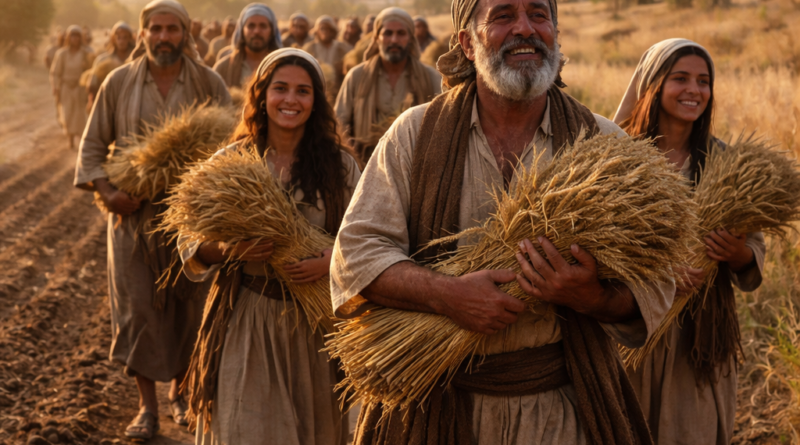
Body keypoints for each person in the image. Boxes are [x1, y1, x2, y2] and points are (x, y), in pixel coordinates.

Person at [330, 0, 678, 442]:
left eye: (538, 14)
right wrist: (447, 295)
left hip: (560, 409)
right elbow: (355, 256)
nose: (525, 29)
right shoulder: (414, 135)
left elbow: (656, 284)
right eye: (502, 16)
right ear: (466, 43)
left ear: (556, 33)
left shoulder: (604, 145)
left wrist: (590, 296)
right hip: (437, 404)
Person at [180, 48, 360, 445]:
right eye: (280, 89)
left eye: (303, 91)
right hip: (248, 319)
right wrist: (229, 250)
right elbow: (188, 239)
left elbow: (367, 236)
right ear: (261, 96)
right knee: (247, 430)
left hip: (314, 328)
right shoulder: (232, 162)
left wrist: (333, 260)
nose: (290, 100)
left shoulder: (340, 167)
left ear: (316, 102)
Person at [73, 0, 231, 440]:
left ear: (186, 33)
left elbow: (232, 150)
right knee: (138, 308)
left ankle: (180, 393)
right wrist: (109, 193)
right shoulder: (118, 82)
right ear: (142, 34)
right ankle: (147, 408)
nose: (164, 37)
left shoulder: (209, 81)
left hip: (192, 224)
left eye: (172, 29)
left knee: (190, 307)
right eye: (155, 29)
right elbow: (90, 148)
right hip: (132, 222)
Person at [612, 38, 766, 445]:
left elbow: (755, 244)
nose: (694, 90)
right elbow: (595, 243)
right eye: (680, 78)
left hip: (700, 340)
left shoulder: (725, 163)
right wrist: (656, 276)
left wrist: (737, 254)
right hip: (634, 329)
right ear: (654, 85)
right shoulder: (619, 161)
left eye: (703, 80)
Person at [334, 7, 441, 148]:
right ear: (377, 38)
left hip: (416, 164)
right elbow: (338, 124)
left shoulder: (430, 77)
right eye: (388, 33)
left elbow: (443, 126)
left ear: (410, 38)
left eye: (401, 33)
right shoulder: (356, 76)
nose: (394, 40)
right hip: (365, 165)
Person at [213, 3, 281, 88]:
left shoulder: (283, 66)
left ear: (272, 31)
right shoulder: (223, 68)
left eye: (263, 26)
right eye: (251, 26)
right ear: (242, 31)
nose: (257, 31)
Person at [51, 25, 93, 149]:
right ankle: (70, 139)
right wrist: (55, 87)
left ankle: (81, 141)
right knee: (67, 113)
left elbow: (92, 71)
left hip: (80, 88)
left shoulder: (86, 53)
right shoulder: (62, 54)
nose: (75, 39)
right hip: (66, 88)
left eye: (77, 36)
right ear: (69, 38)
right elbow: (55, 72)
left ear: (81, 38)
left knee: (80, 115)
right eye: (72, 36)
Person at [87, 21, 136, 104]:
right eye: (119, 38)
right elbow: (93, 85)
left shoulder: (136, 60)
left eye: (125, 38)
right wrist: (91, 101)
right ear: (113, 39)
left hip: (131, 102)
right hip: (108, 102)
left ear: (130, 39)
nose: (121, 41)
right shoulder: (102, 60)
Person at [302, 16, 352, 89]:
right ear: (317, 30)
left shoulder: (342, 47)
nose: (326, 32)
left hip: (337, 88)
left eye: (329, 29)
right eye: (322, 28)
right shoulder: (309, 48)